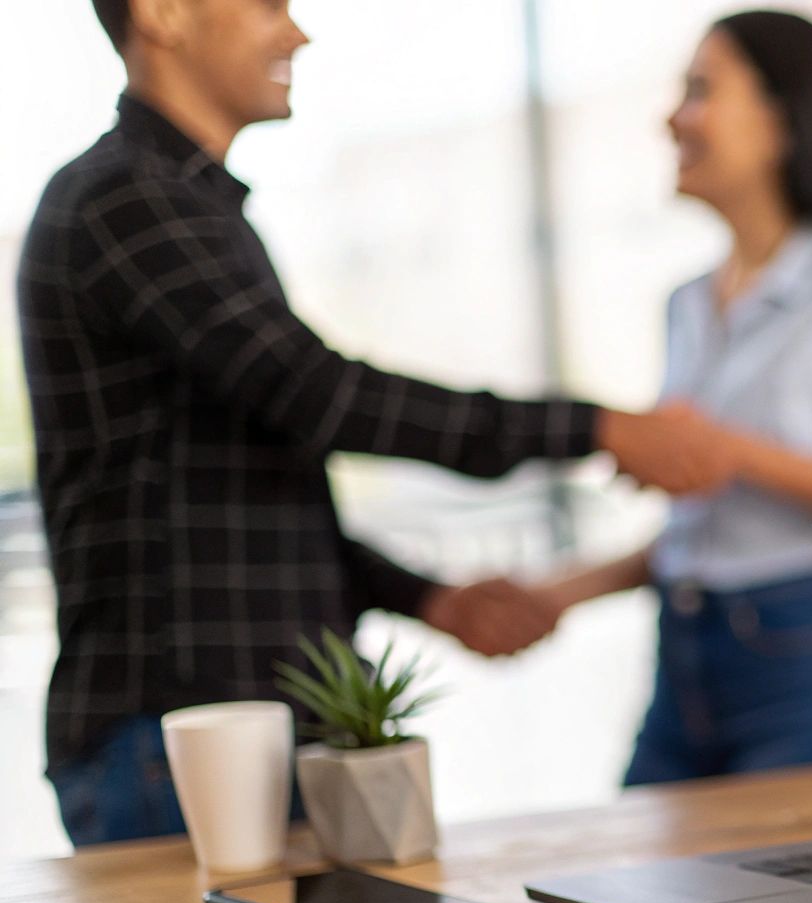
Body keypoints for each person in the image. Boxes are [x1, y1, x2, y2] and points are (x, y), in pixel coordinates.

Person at [16, 0, 729, 845]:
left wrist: (429, 597)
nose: (296, 31)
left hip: (249, 733)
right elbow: (318, 393)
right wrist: (596, 430)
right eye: (267, 5)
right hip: (178, 746)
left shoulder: (193, 210)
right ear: (164, 14)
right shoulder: (124, 200)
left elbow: (252, 507)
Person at [535, 11, 812, 784]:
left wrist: (732, 451)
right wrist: (561, 594)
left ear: (782, 122)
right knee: (618, 898)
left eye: (701, 90)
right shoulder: (685, 305)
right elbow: (713, 528)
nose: (672, 117)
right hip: (684, 658)